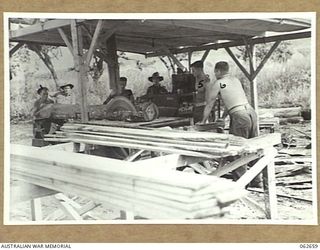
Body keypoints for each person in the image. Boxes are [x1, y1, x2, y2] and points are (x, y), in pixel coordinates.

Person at [199, 61, 261, 186]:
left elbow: (210, 103)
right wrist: (223, 117)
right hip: (251, 113)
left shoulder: (219, 83)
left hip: (240, 116)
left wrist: (203, 122)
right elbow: (231, 100)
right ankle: (257, 180)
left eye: (215, 72)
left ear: (217, 71)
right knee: (253, 147)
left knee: (237, 149)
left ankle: (241, 183)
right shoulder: (235, 81)